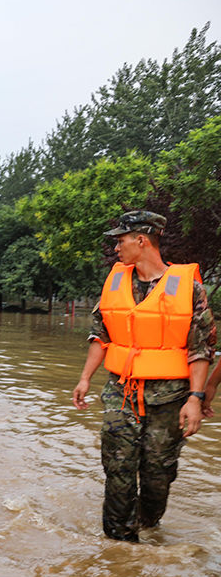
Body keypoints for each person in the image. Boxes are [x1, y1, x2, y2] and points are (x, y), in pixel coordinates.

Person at [72, 211, 215, 543]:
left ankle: (148, 526)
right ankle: (119, 549)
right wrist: (84, 379)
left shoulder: (189, 288)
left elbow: (201, 349)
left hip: (170, 397)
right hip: (120, 391)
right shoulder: (116, 281)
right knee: (118, 468)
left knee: (157, 474)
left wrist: (195, 399)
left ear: (142, 240)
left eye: (121, 240)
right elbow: (100, 336)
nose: (116, 247)